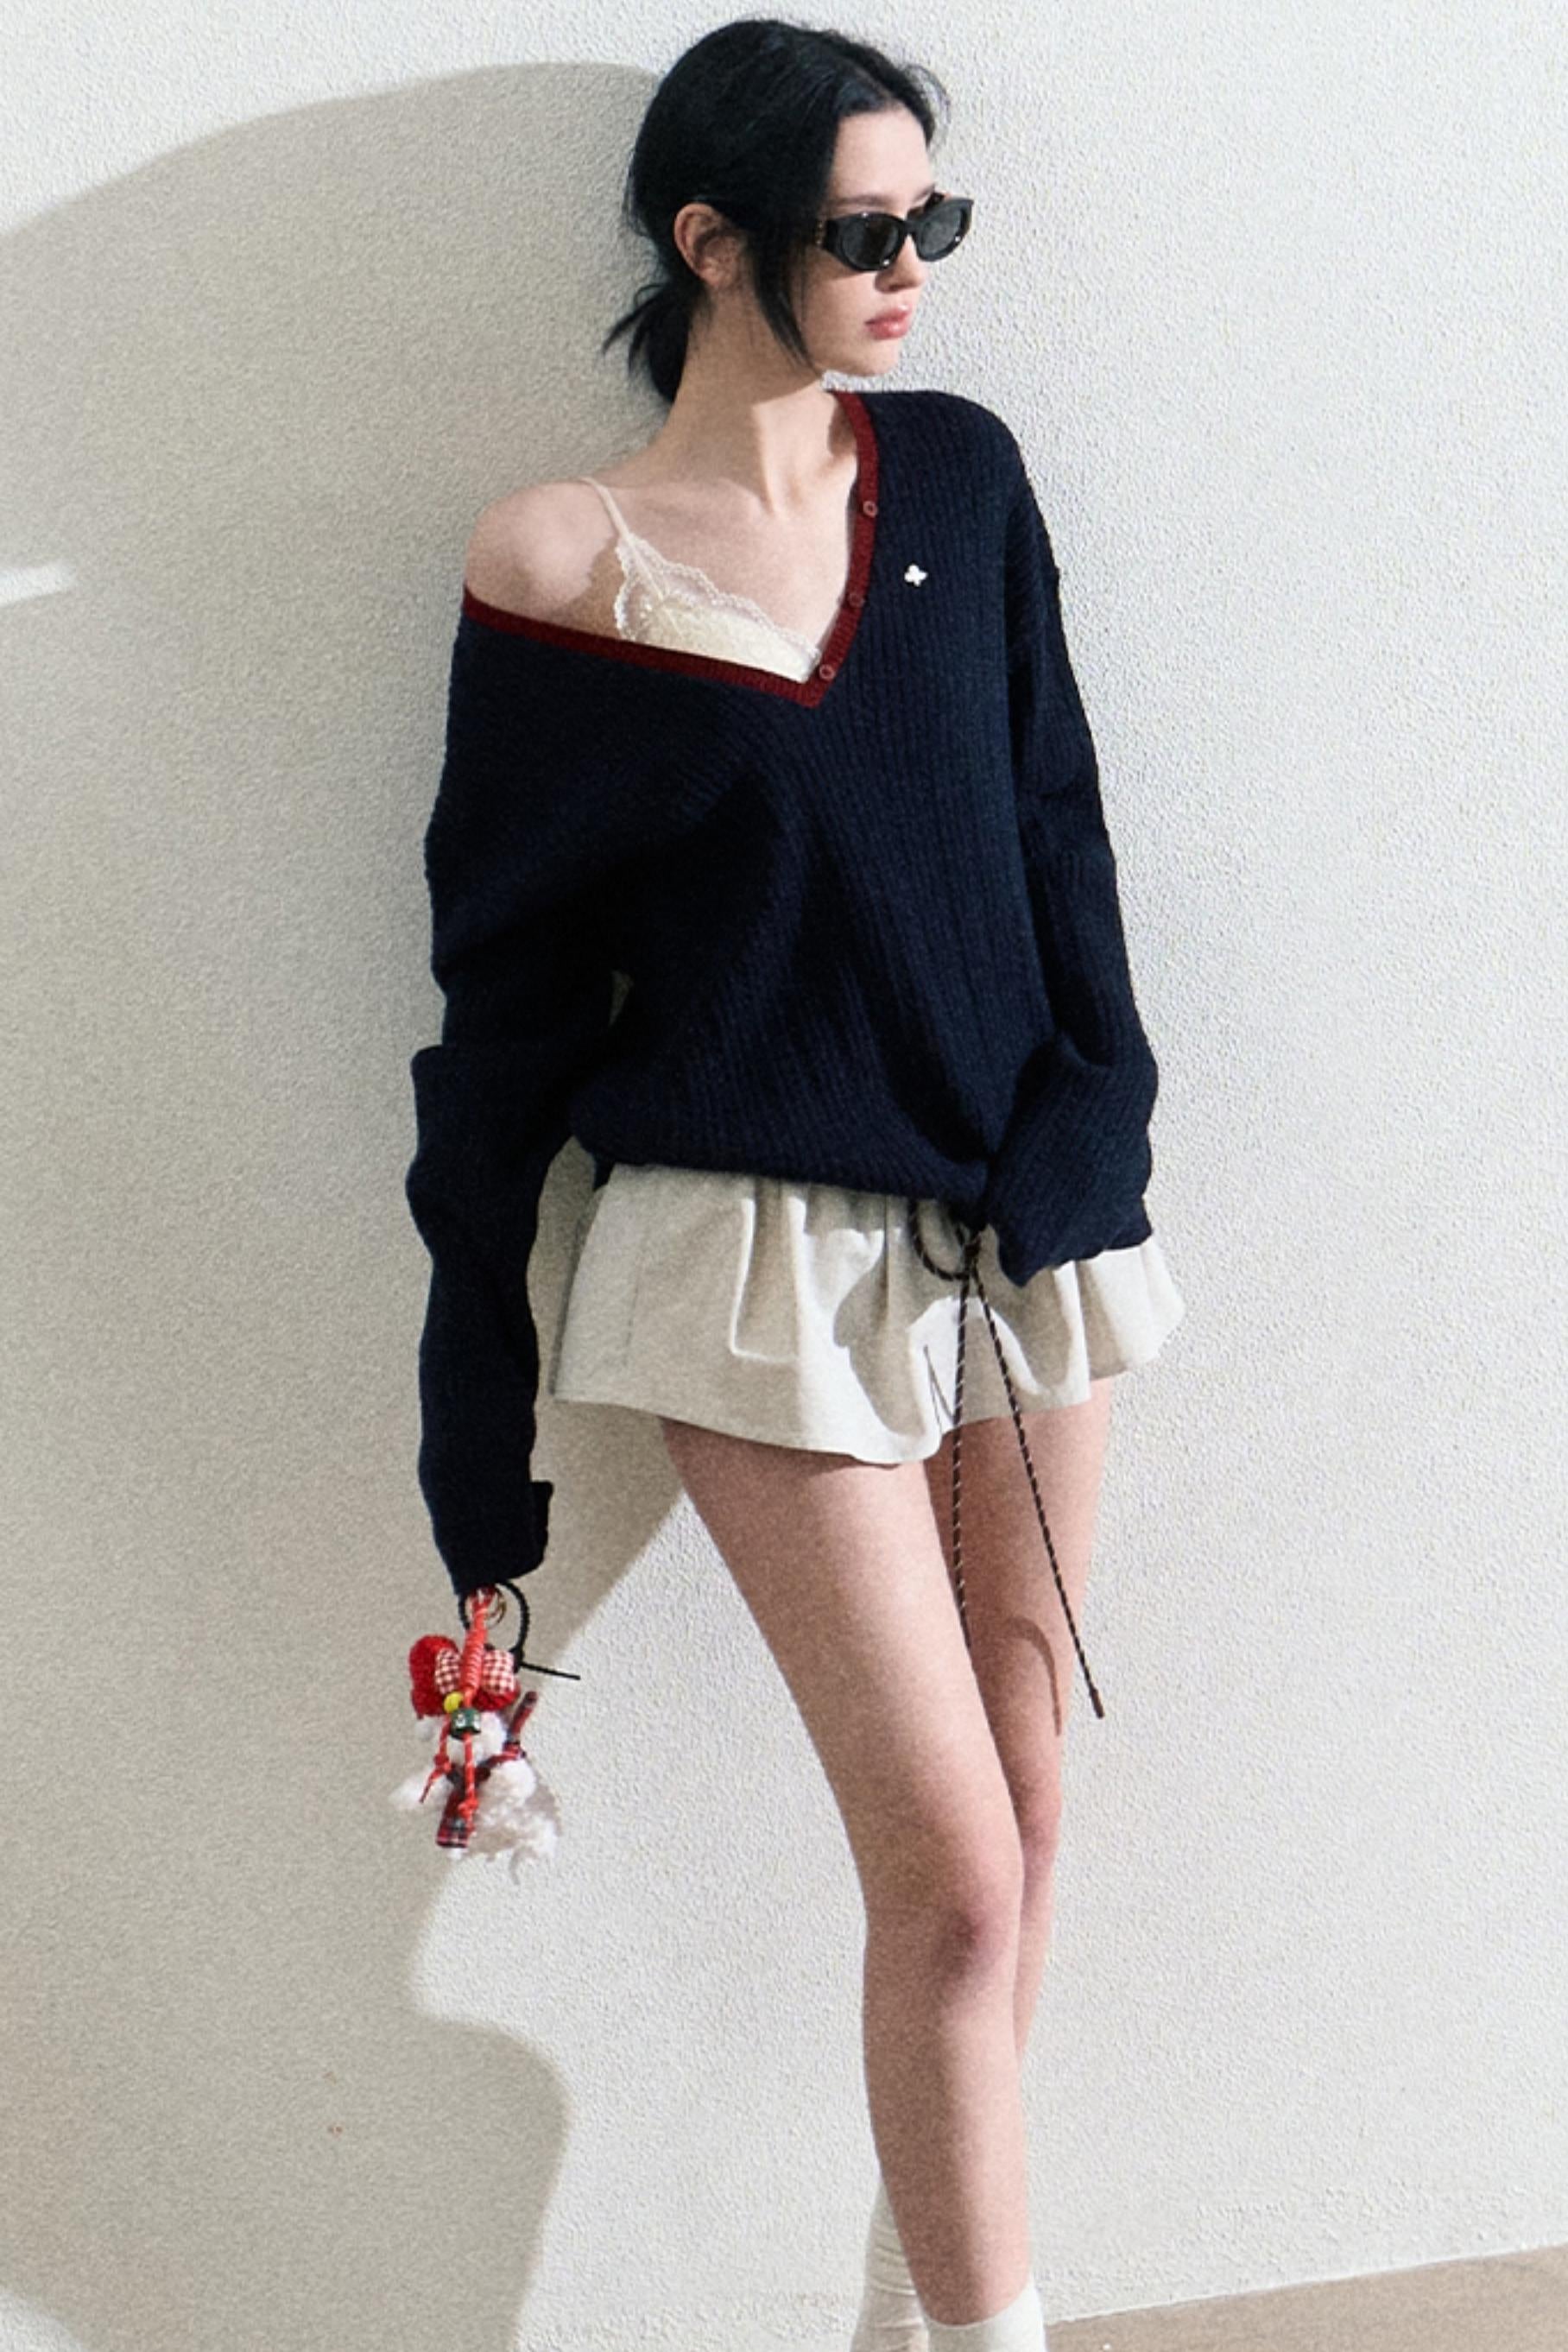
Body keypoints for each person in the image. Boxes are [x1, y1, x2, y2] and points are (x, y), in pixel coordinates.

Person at [405, 22, 1186, 2352]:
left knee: (1028, 1821)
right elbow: (505, 1005)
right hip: (752, 1262)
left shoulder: (959, 475)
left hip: (1022, 1230)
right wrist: (475, 1445)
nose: (914, 263)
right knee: (951, 1870)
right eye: (867, 226)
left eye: (934, 218)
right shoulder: (563, 560)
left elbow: (1054, 826)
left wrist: (1099, 1122)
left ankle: (926, 2303)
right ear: (712, 238)